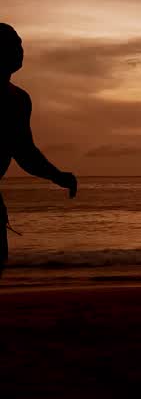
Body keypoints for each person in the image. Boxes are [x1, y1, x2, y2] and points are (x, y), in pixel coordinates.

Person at [0, 23, 78, 279]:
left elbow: (24, 151)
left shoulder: (19, 99)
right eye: (12, 45)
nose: (20, 50)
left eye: (20, 44)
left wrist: (57, 176)